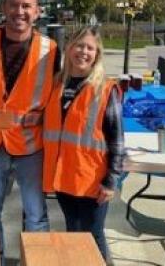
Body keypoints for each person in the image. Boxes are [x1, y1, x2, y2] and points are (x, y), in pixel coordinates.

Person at [0, 0, 60, 261]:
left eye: (26, 6)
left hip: (30, 145)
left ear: (37, 12)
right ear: (3, 8)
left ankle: (36, 260)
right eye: (14, 5)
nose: (19, 11)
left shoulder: (51, 49)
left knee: (36, 213)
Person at [42, 26, 124, 266]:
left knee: (92, 234)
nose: (83, 52)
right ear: (68, 48)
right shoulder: (57, 85)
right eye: (79, 45)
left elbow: (117, 140)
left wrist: (111, 181)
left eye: (90, 47)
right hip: (64, 178)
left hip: (92, 181)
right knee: (74, 232)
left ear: (97, 54)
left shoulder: (105, 89)